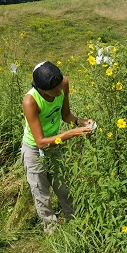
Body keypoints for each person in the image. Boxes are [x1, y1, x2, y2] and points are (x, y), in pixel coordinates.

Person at [21, 60, 92, 233]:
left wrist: (79, 122)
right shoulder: (31, 101)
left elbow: (65, 114)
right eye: (55, 91)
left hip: (55, 145)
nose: (60, 92)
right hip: (34, 150)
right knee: (41, 194)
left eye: (60, 87)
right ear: (41, 89)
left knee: (63, 187)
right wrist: (72, 133)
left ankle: (75, 225)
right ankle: (52, 232)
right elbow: (40, 142)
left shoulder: (63, 84)